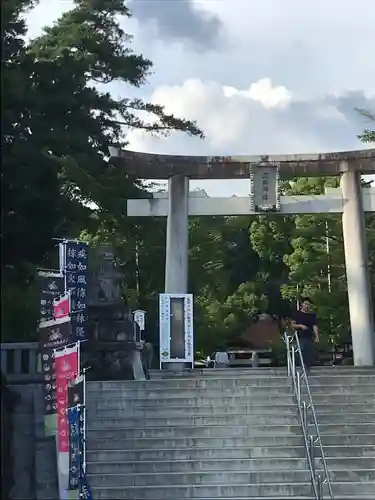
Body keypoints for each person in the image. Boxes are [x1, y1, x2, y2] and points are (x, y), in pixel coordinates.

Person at [291, 297, 319, 371]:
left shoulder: (312, 315)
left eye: (308, 305)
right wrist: (300, 326)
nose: (306, 306)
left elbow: (314, 326)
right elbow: (292, 325)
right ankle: (301, 365)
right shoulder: (297, 314)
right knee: (301, 350)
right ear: (302, 305)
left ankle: (307, 366)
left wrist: (317, 336)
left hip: (309, 336)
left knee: (309, 352)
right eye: (305, 304)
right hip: (300, 336)